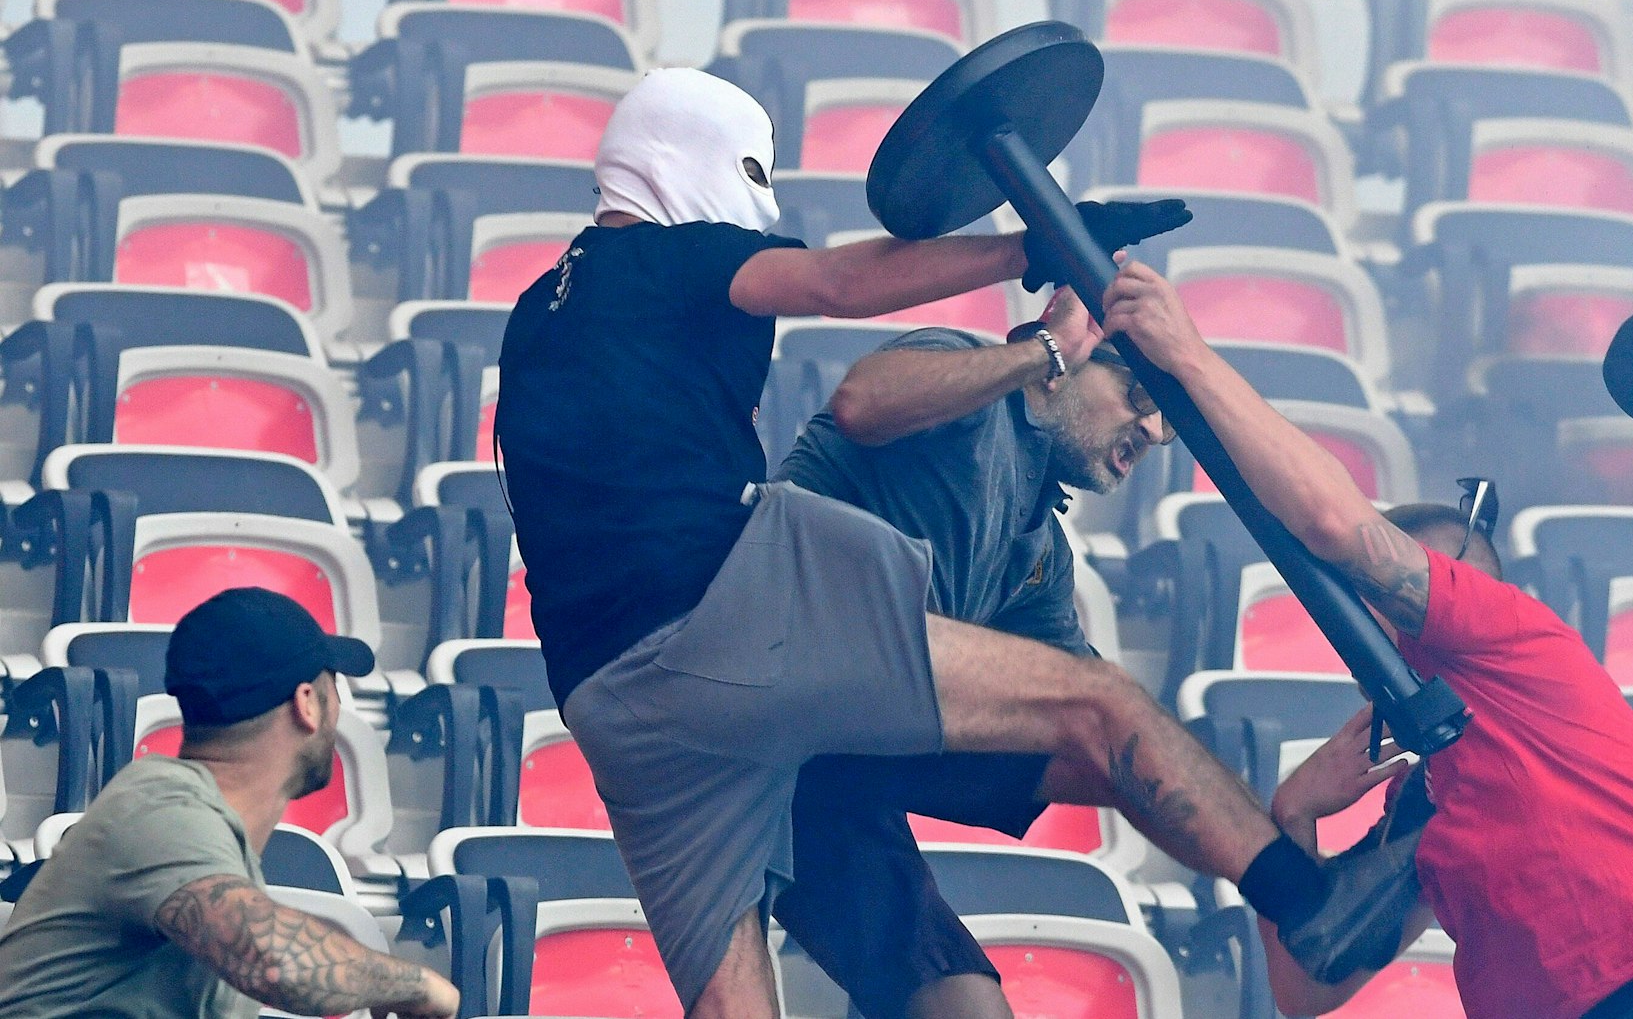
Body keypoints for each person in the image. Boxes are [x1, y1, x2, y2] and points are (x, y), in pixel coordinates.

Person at [496, 67, 1414, 1017]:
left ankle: (1298, 879)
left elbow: (1111, 753)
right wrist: (1037, 245)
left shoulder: (539, 312)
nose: (763, 208)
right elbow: (837, 286)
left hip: (614, 702)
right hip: (728, 622)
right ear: (678, 156)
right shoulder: (663, 258)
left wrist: (1280, 807)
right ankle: (1311, 908)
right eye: (754, 175)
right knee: (1102, 701)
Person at [1097, 258, 1633, 1019]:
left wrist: (1188, 356)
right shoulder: (1429, 797)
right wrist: (1292, 815)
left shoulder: (1509, 633)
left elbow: (1333, 524)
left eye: (1370, 593)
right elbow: (1310, 983)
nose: (1352, 621)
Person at [770, 286, 1171, 1018]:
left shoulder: (1042, 550)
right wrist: (1041, 351)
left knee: (966, 1004)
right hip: (753, 699)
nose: (1153, 429)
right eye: (1137, 393)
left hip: (830, 775)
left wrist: (1257, 824)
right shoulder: (968, 375)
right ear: (1069, 361)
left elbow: (1090, 722)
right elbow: (861, 400)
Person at [0, 587, 459, 1019]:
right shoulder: (162, 806)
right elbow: (274, 962)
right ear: (307, 704)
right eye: (333, 685)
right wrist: (415, 983)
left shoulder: (200, 837)